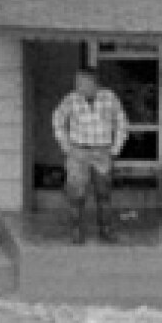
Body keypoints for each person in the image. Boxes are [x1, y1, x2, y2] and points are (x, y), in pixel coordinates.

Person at [51, 65, 128, 244]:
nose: (78, 86)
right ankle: (76, 232)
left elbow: (122, 122)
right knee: (76, 196)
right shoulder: (71, 99)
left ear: (94, 83)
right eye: (77, 82)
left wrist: (115, 149)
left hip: (102, 152)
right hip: (78, 152)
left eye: (82, 82)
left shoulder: (110, 98)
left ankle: (106, 230)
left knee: (104, 194)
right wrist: (65, 145)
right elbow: (57, 119)